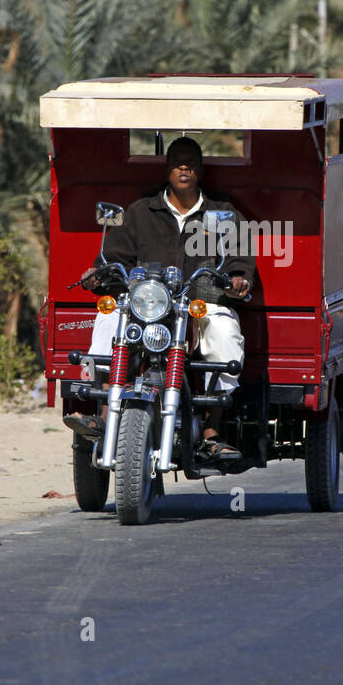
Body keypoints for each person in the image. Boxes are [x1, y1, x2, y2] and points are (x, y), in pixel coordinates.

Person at [68, 136, 253, 456]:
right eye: (178, 161)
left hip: (200, 301)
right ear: (167, 169)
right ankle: (101, 414)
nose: (184, 167)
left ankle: (211, 429)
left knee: (225, 334)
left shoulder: (223, 214)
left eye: (191, 161)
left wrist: (237, 279)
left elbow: (239, 261)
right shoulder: (140, 212)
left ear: (201, 170)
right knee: (106, 317)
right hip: (146, 303)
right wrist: (100, 274)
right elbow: (114, 258)